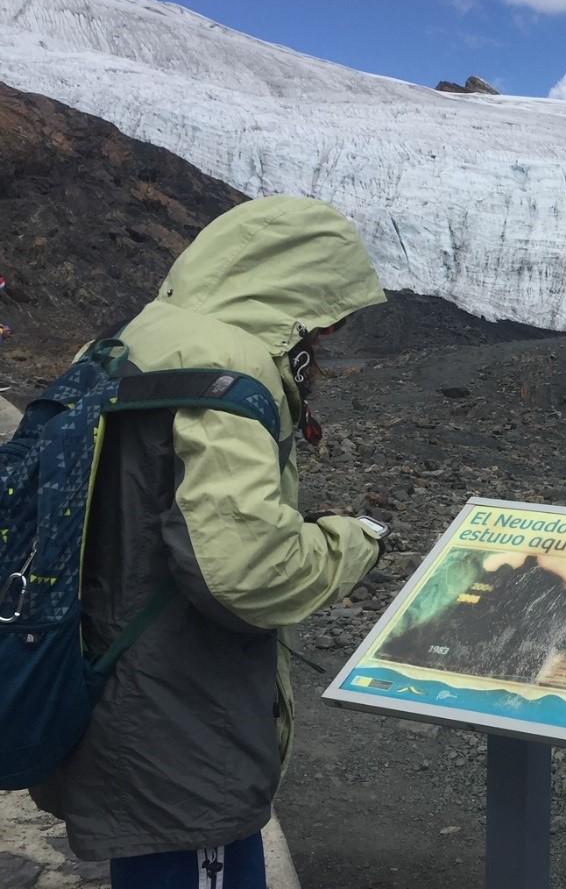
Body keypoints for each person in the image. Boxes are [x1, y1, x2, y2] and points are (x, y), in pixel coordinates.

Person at [31, 197, 388, 889]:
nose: (329, 338)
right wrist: (351, 541)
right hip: (182, 721)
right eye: (328, 320)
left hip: (102, 684)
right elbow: (249, 572)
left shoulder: (125, 338)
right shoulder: (232, 364)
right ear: (298, 297)